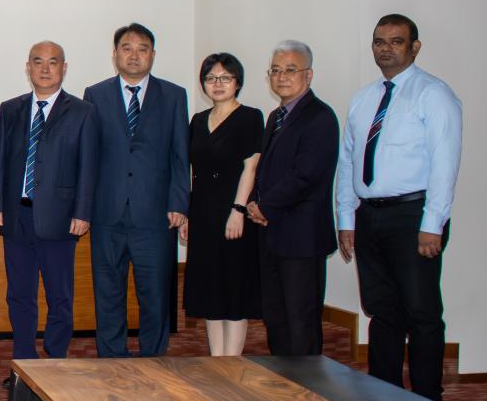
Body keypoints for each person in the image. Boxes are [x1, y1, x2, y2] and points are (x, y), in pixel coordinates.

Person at [336, 15, 461, 401]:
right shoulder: (363, 99)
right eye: (379, 41)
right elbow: (348, 162)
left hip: (413, 217)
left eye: (396, 41)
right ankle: (384, 396)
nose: (385, 48)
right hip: (369, 216)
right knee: (381, 310)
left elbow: (445, 164)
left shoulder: (434, 94)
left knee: (421, 313)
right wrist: (346, 218)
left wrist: (433, 224)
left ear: (414, 47)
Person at [0, 41, 97, 387]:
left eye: (53, 62)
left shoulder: (82, 112)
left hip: (61, 218)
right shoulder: (10, 109)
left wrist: (83, 212)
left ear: (64, 68)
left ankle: (55, 363)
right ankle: (23, 363)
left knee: (59, 296)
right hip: (16, 216)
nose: (45, 69)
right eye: (38, 62)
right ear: (28, 68)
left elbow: (88, 167)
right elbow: (0, 163)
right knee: (19, 295)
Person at [83, 24, 189, 358]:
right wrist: (84, 208)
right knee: (108, 294)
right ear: (115, 54)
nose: (134, 55)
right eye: (126, 48)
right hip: (107, 213)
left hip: (155, 215)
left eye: (142, 49)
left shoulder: (174, 96)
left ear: (152, 55)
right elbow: (88, 156)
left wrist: (179, 202)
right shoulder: (95, 95)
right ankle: (111, 359)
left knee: (155, 295)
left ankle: (153, 360)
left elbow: (180, 154)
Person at [246, 41, 339, 356]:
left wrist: (265, 206)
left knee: (301, 322)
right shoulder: (276, 116)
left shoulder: (320, 117)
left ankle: (307, 384)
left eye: (290, 69)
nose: (281, 76)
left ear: (308, 74)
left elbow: (305, 175)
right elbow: (265, 171)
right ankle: (282, 381)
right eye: (275, 70)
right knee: (276, 318)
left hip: (302, 238)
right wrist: (255, 203)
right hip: (271, 235)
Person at [182, 53, 263, 356]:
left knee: (233, 288)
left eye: (225, 78)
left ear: (237, 82)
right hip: (202, 211)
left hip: (233, 211)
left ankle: (233, 361)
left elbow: (250, 167)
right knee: (209, 289)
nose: (217, 84)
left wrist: (238, 210)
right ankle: (217, 360)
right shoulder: (197, 120)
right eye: (210, 78)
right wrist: (187, 213)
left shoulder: (250, 117)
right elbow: (192, 170)